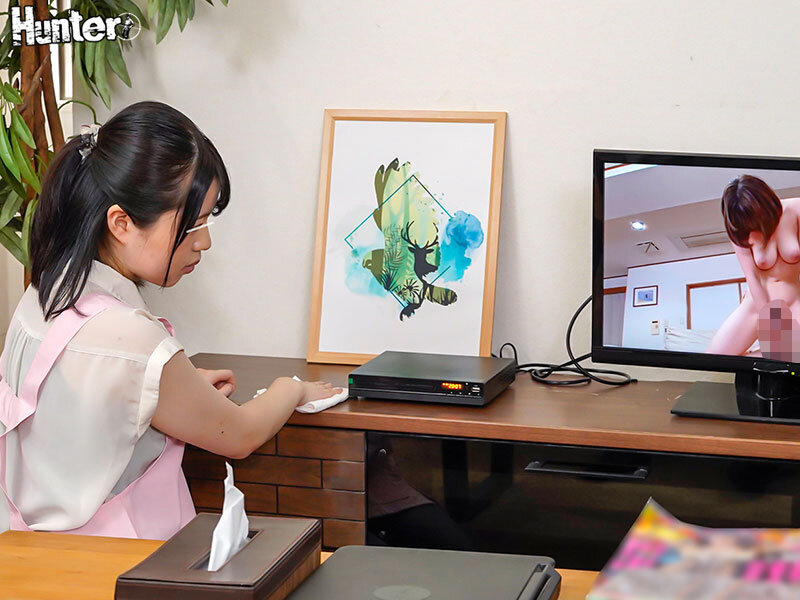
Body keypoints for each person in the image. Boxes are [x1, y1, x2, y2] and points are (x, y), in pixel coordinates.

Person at [0, 101, 341, 539]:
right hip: (121, 556)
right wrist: (290, 389)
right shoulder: (130, 338)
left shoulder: (45, 294)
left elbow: (78, 405)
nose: (204, 242)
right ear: (121, 223)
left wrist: (175, 387)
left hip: (28, 549)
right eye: (193, 224)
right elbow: (239, 435)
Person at [707, 175, 800, 359]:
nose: (754, 227)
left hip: (795, 302)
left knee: (791, 357)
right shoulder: (741, 230)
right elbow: (752, 277)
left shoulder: (796, 208)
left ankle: (773, 354)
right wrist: (770, 320)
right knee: (713, 360)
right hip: (757, 304)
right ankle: (776, 353)